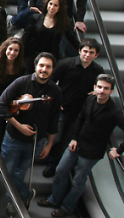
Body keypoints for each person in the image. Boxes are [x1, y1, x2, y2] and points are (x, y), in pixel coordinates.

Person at [37, 75, 124, 217]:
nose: (102, 91)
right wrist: (74, 138)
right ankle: (54, 199)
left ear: (112, 91)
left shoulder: (114, 112)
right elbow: (81, 118)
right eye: (100, 87)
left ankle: (67, 207)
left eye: (106, 88)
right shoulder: (90, 99)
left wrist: (119, 150)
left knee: (78, 180)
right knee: (60, 170)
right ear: (95, 87)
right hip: (76, 145)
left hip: (91, 152)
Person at [0, 52, 61, 208]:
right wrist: (19, 126)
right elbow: (1, 105)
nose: (44, 69)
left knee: (20, 173)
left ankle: (12, 203)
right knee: (6, 173)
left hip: (36, 141)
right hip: (14, 138)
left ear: (52, 70)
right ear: (36, 66)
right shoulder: (21, 82)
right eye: (42, 65)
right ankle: (25, 194)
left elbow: (54, 119)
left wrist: (49, 144)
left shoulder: (55, 91)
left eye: (48, 67)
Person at [42, 38, 104, 177]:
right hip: (62, 109)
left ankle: (54, 165)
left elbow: (101, 89)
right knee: (55, 137)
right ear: (79, 51)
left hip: (80, 113)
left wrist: (97, 92)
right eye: (85, 51)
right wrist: (56, 101)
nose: (87, 55)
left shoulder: (98, 71)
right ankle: (48, 160)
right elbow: (50, 81)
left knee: (67, 140)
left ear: (96, 55)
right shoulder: (66, 64)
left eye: (91, 52)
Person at [21, 0, 80, 67]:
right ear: (47, 4)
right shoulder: (36, 18)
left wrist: (83, 48)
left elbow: (72, 39)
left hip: (50, 58)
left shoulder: (63, 23)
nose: (52, 7)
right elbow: (26, 36)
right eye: (50, 4)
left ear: (60, 8)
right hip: (32, 55)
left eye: (56, 5)